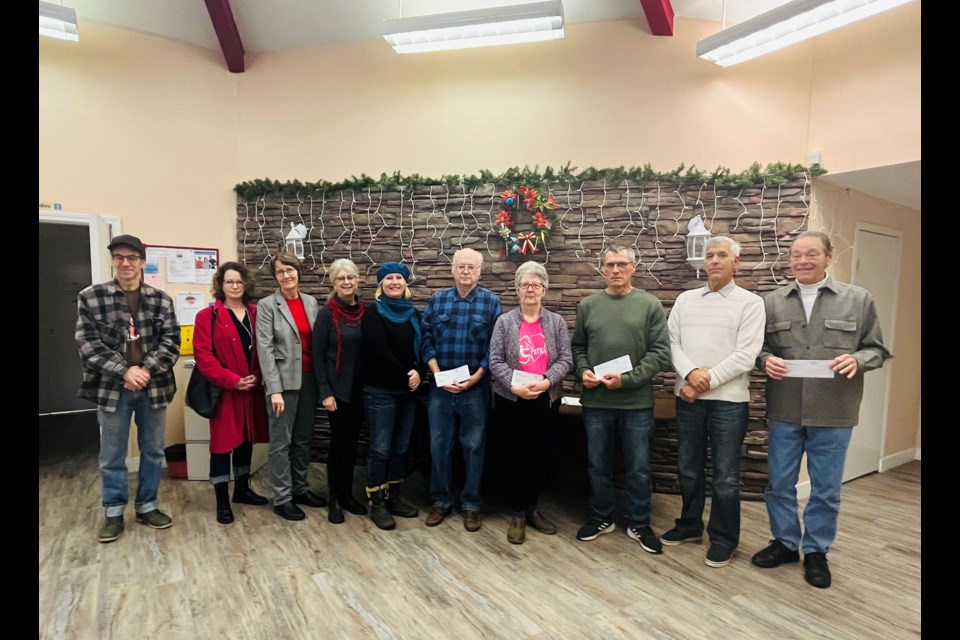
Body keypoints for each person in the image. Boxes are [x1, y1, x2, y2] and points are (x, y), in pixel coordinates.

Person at [751, 230, 891, 589]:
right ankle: (784, 543)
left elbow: (876, 349)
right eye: (797, 255)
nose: (803, 260)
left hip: (834, 411)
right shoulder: (771, 302)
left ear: (829, 257)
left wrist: (857, 359)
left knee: (826, 488)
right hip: (784, 408)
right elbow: (758, 348)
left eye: (811, 254)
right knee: (779, 483)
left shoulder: (858, 300)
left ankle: (816, 550)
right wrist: (766, 360)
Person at [661, 236, 765, 567]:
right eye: (710, 256)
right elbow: (671, 342)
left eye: (723, 255)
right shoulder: (685, 300)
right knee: (688, 468)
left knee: (725, 475)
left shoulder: (750, 303)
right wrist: (690, 373)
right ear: (703, 263)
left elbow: (746, 355)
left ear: (736, 262)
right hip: (689, 398)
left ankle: (723, 538)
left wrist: (703, 381)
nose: (715, 260)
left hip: (729, 403)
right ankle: (690, 525)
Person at [75, 234, 181, 543]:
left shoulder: (161, 300)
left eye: (131, 258)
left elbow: (171, 341)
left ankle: (148, 506)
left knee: (152, 451)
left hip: (154, 387)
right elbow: (87, 344)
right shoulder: (91, 297)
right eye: (119, 257)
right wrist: (124, 371)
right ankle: (113, 512)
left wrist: (145, 368)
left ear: (142, 262)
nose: (125, 263)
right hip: (112, 389)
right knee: (112, 455)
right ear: (112, 260)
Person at [570, 243, 671, 553]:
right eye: (610, 264)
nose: (615, 270)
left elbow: (660, 353)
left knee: (638, 467)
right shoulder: (588, 305)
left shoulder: (650, 305)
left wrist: (627, 380)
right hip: (596, 402)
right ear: (603, 268)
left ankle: (639, 522)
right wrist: (583, 371)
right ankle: (602, 517)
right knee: (597, 464)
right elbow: (578, 348)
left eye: (622, 264)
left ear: (633, 268)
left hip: (635, 404)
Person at [488, 261, 572, 544]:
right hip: (512, 398)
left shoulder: (556, 322)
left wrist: (548, 381)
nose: (530, 289)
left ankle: (533, 507)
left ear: (544, 290)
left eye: (536, 285)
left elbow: (566, 360)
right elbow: (495, 361)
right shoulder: (504, 322)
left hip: (545, 399)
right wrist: (514, 384)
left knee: (539, 454)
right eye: (525, 285)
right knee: (514, 455)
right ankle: (517, 513)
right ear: (517, 290)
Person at [420, 247, 503, 532]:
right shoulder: (438, 300)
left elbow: (496, 347)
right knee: (439, 446)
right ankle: (440, 500)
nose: (466, 272)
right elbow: (425, 339)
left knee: (474, 447)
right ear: (453, 269)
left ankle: (471, 504)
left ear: (480, 272)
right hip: (440, 387)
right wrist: (438, 374)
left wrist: (477, 377)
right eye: (461, 267)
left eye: (472, 267)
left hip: (475, 389)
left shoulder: (491, 303)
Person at [192, 262, 270, 525]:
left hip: (253, 390)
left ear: (246, 284)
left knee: (247, 439)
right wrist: (233, 381)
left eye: (239, 282)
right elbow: (204, 357)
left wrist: (257, 377)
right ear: (220, 285)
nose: (235, 286)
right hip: (226, 392)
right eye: (229, 282)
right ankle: (222, 500)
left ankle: (243, 489)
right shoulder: (207, 316)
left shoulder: (257, 313)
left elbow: (266, 349)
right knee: (222, 445)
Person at [257, 252, 326, 521]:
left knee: (303, 439)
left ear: (298, 272)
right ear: (275, 277)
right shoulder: (267, 305)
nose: (286, 275)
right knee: (280, 442)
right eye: (280, 272)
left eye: (290, 270)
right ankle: (282, 497)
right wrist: (273, 388)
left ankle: (300, 489)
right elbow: (265, 348)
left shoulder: (310, 302)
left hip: (309, 380)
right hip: (282, 384)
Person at [359, 262, 424, 530]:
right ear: (381, 284)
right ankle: (377, 502)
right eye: (389, 278)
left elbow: (422, 348)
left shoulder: (413, 315)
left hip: (407, 392)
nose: (395, 282)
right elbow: (377, 352)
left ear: (406, 283)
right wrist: (407, 374)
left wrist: (419, 372)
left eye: (399, 278)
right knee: (380, 448)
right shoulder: (373, 314)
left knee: (400, 448)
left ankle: (395, 497)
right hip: (380, 392)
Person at [313, 258, 369, 524]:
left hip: (360, 391)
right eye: (340, 279)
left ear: (358, 280)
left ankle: (347, 494)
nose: (346, 283)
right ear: (334, 283)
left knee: (352, 445)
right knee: (338, 445)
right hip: (337, 392)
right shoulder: (327, 314)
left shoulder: (365, 311)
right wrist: (325, 392)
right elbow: (318, 356)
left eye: (351, 277)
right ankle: (334, 497)